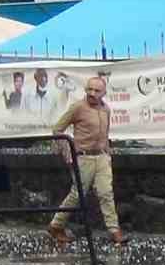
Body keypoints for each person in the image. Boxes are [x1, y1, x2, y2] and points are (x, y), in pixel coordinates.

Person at [46, 75, 127, 247]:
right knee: (77, 194)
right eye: (89, 89)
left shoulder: (106, 110)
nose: (92, 93)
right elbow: (58, 129)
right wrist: (66, 150)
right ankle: (56, 225)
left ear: (104, 92)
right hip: (83, 158)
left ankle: (114, 231)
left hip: (102, 157)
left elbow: (106, 133)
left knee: (106, 193)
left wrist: (107, 153)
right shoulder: (78, 108)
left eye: (96, 90)